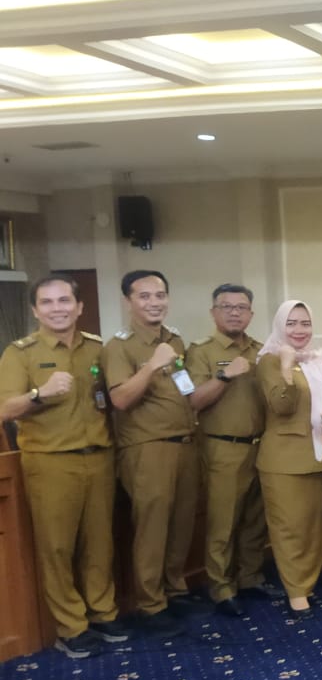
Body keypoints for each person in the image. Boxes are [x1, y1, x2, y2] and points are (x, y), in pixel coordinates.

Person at [0, 275, 126, 658]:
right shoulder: (20, 353)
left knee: (100, 543)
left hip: (99, 456)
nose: (57, 308)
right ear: (35, 310)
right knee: (57, 547)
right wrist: (40, 394)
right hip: (50, 462)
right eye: (48, 302)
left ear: (79, 306)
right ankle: (72, 626)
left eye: (64, 300)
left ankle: (103, 612)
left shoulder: (97, 348)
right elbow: (5, 409)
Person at [102, 269, 199, 636]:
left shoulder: (174, 340)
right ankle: (150, 604)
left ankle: (174, 589)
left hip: (185, 442)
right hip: (147, 447)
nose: (154, 303)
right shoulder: (119, 347)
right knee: (153, 528)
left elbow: (184, 388)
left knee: (181, 524)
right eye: (144, 296)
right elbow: (120, 399)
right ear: (128, 302)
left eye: (160, 295)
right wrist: (153, 365)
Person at [256, 300, 322, 617]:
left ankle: (308, 583)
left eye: (305, 323)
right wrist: (286, 368)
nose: (299, 330)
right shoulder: (270, 360)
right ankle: (296, 591)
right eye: (291, 323)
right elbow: (282, 406)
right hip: (284, 461)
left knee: (316, 527)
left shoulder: (318, 360)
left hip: (320, 453)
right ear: (280, 326)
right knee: (290, 528)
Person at [187, 283, 272, 618]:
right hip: (223, 448)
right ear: (214, 312)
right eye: (227, 307)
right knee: (223, 523)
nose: (235, 313)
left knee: (255, 520)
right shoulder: (201, 351)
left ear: (251, 313)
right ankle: (221, 588)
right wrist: (224, 375)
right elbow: (194, 400)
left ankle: (250, 577)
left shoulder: (261, 350)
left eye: (242, 307)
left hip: (261, 446)